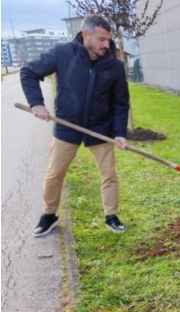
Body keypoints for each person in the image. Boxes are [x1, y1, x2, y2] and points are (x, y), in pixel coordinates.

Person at [21, 14, 130, 237]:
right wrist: (36, 104)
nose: (106, 44)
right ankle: (49, 215)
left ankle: (111, 215)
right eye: (101, 39)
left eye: (108, 40)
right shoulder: (62, 53)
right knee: (54, 174)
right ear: (86, 35)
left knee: (109, 174)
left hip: (100, 127)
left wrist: (119, 132)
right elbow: (29, 72)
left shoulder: (114, 65)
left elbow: (121, 102)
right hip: (67, 125)